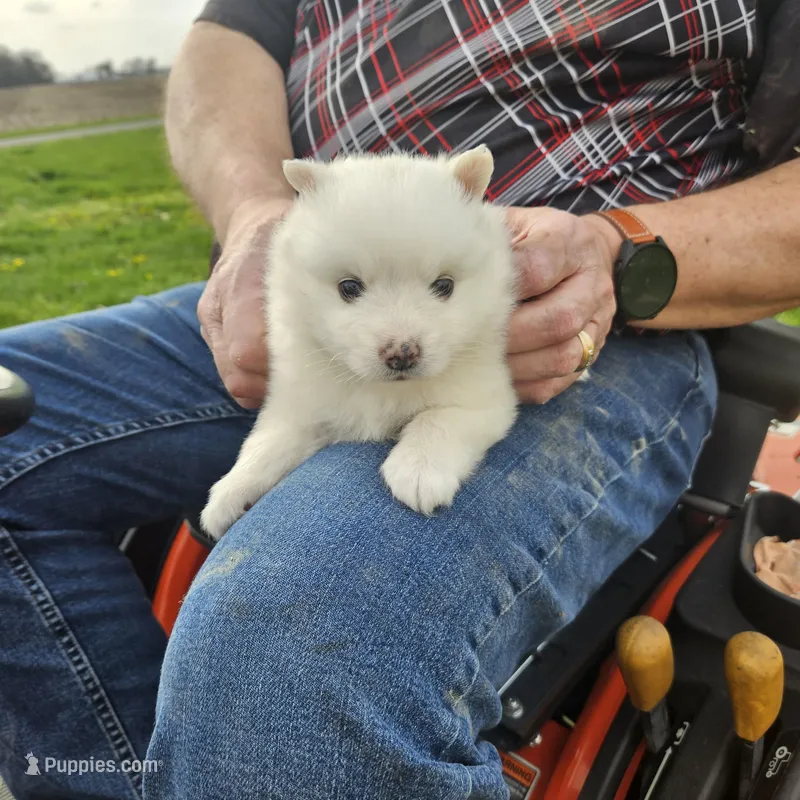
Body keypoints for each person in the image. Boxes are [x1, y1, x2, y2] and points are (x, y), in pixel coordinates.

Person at [0, 0, 798, 796]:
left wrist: (619, 250)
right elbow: (230, 39)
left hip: (594, 326)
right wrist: (253, 211)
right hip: (302, 291)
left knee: (296, 647)